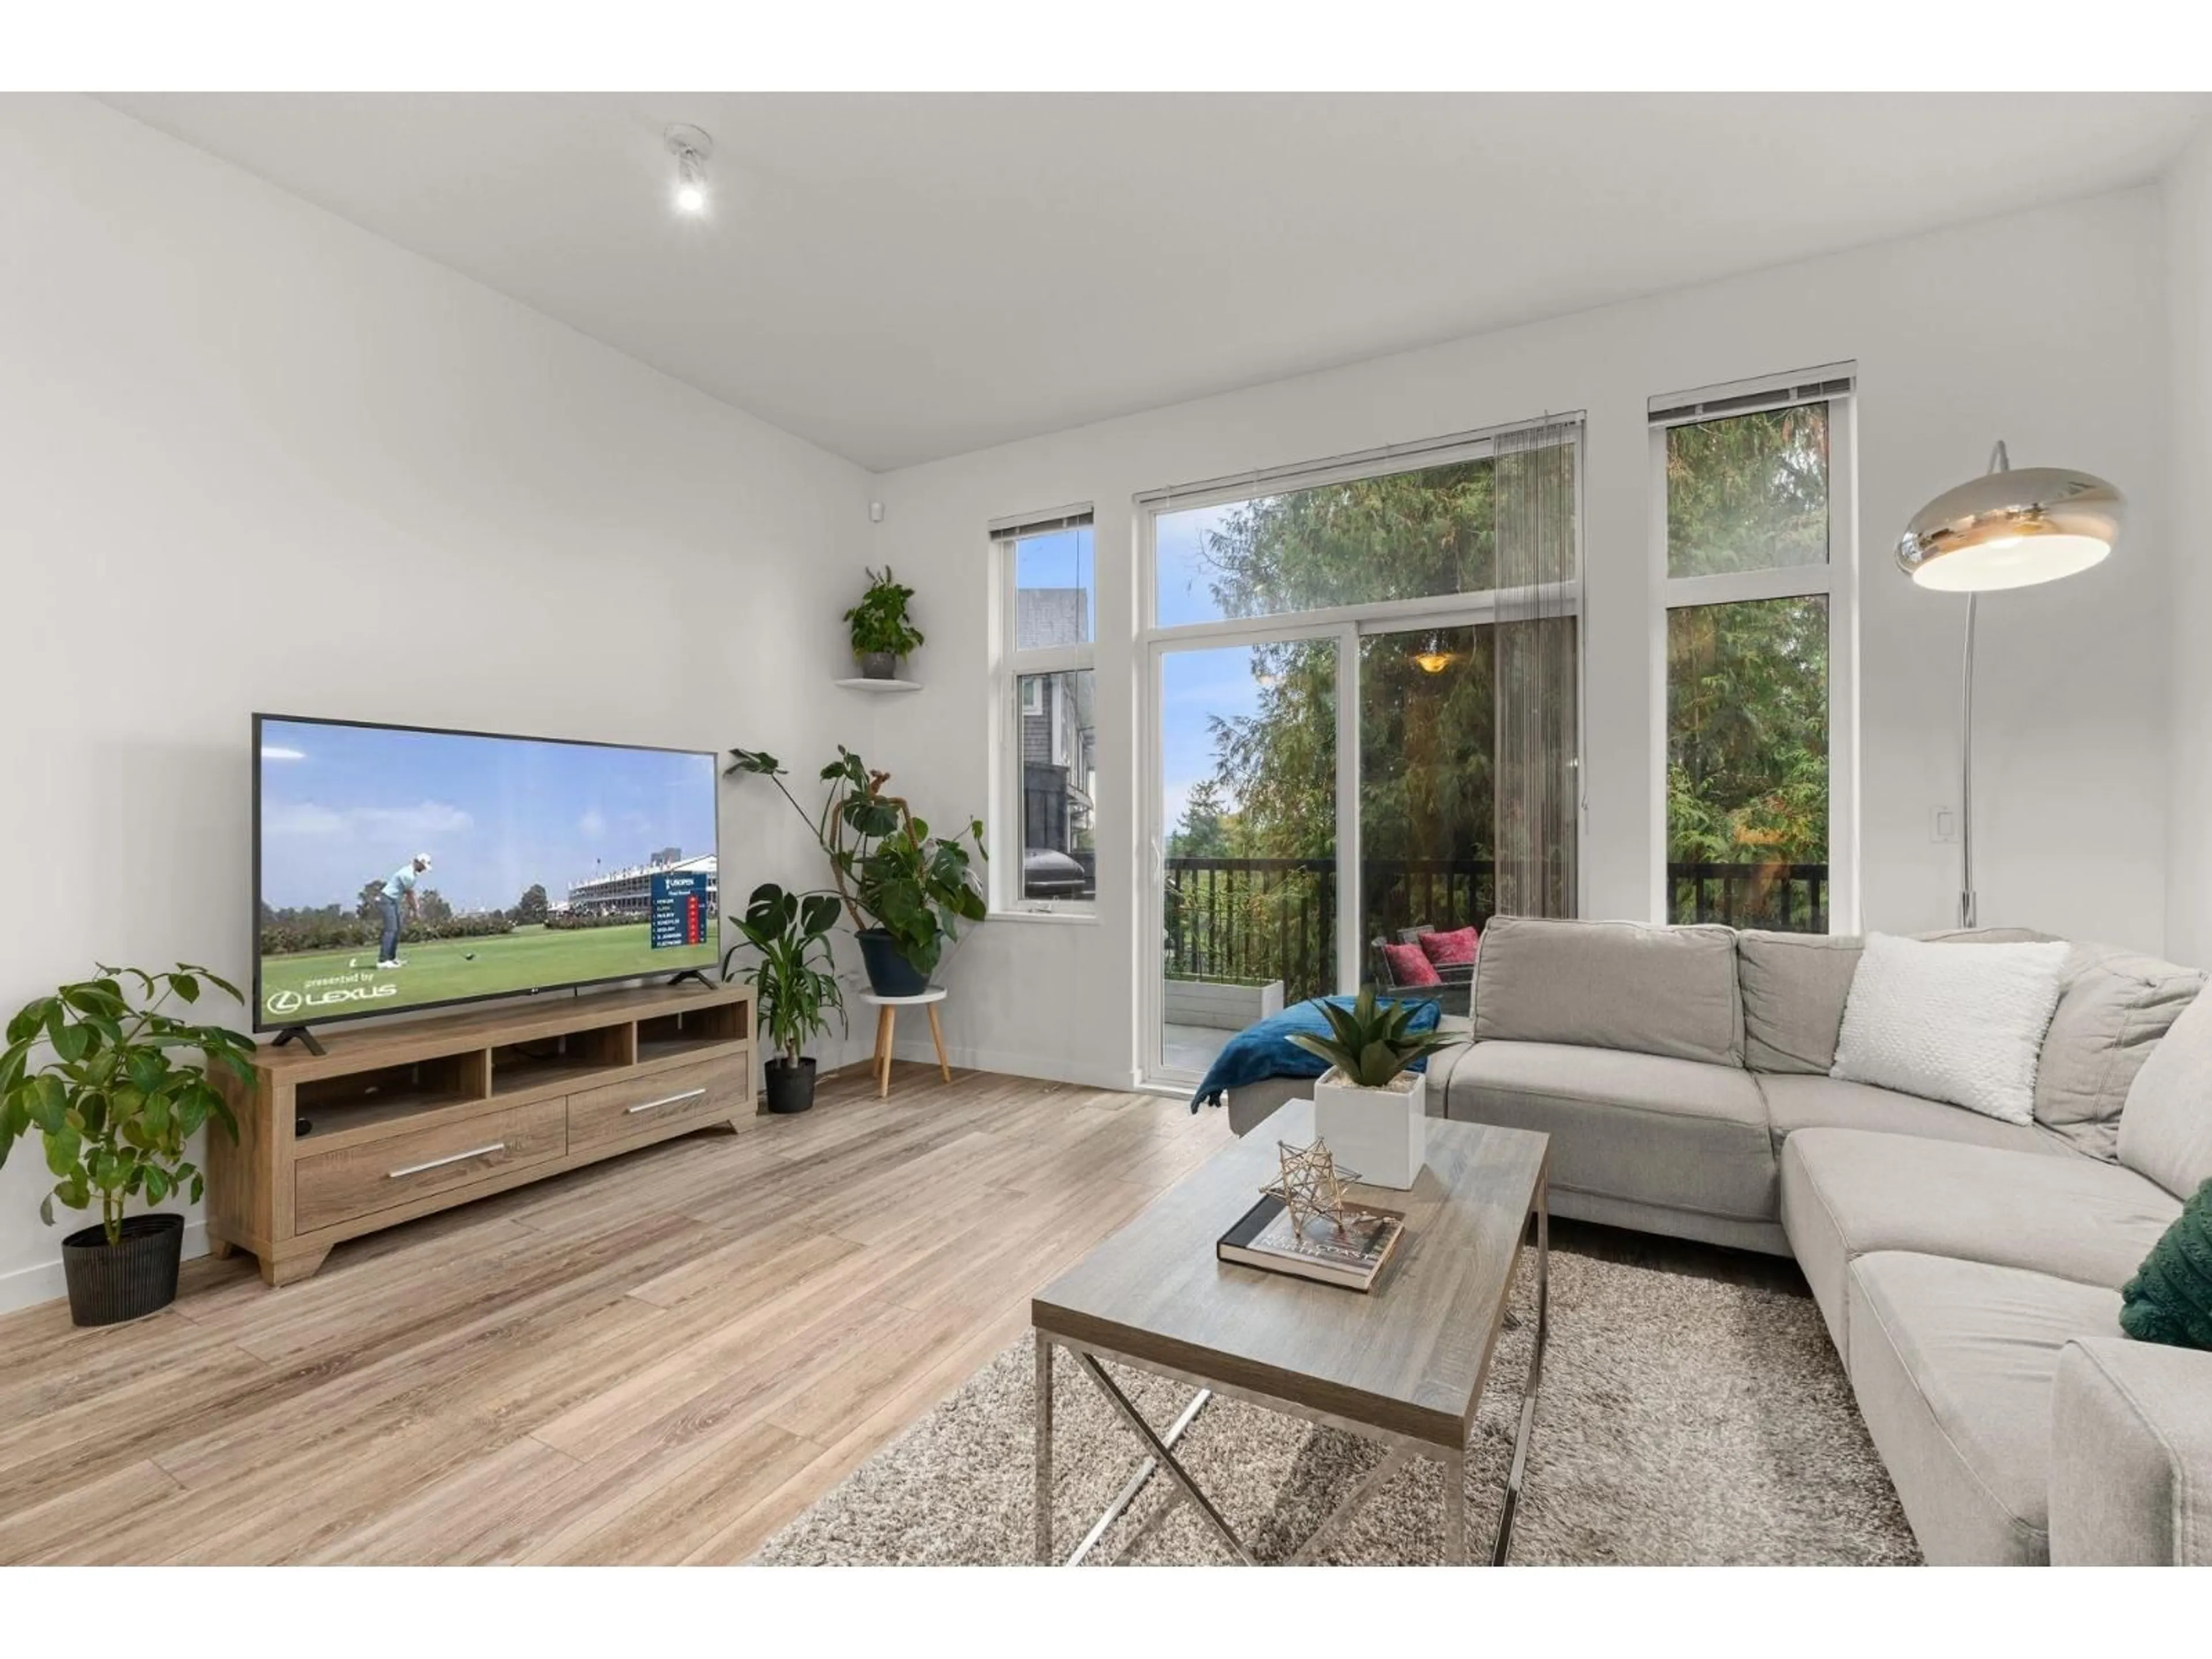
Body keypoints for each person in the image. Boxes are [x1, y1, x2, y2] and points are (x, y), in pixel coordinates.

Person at [376, 853, 431, 969]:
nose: (423, 869)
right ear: (417, 862)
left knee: (397, 930)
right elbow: (410, 895)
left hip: (394, 901)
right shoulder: (408, 875)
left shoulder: (412, 873)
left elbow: (410, 895)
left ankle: (391, 959)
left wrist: (415, 910)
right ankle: (383, 961)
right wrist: (416, 912)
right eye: (423, 866)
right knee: (391, 929)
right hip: (387, 900)